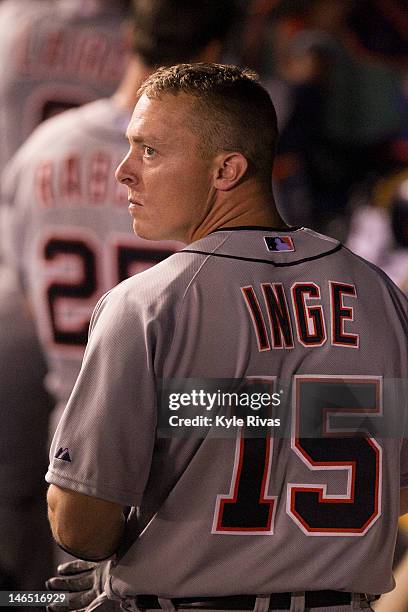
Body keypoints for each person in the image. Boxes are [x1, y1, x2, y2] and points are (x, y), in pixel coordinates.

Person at [45, 63, 408, 612]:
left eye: (149, 151)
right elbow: (397, 488)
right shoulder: (380, 294)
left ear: (226, 171)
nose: (123, 171)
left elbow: (79, 524)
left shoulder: (148, 304)